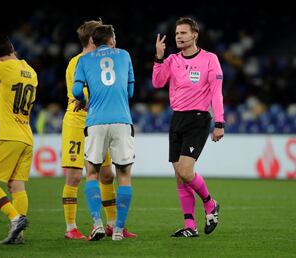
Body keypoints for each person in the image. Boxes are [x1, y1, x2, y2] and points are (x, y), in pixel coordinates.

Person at [62, 20, 136, 239]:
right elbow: (76, 94)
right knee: (75, 176)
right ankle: (71, 228)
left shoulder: (105, 58)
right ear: (94, 37)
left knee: (106, 174)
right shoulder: (77, 62)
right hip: (78, 122)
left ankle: (112, 224)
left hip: (97, 122)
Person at [152, 17, 224, 238]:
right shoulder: (172, 60)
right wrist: (159, 57)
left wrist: (218, 122)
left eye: (183, 33)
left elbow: (216, 92)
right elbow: (157, 83)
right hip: (178, 119)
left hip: (199, 119)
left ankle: (210, 204)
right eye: (176, 34)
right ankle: (190, 226)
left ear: (195, 35)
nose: (179, 37)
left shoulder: (210, 59)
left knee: (185, 170)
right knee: (179, 175)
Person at [0, 34, 38, 244]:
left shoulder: (1, 68)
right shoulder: (31, 71)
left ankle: (15, 217)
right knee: (16, 185)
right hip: (27, 136)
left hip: (7, 135)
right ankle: (18, 235)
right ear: (13, 48)